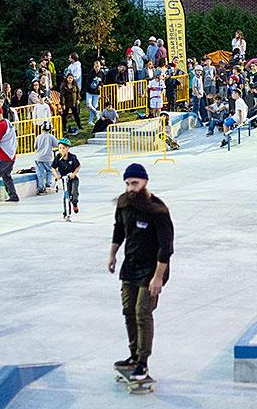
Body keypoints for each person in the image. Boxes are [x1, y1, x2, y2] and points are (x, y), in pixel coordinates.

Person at [108, 163, 174, 384]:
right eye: (127, 183)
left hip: (153, 269)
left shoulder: (158, 210)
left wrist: (158, 277)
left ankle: (143, 362)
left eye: (134, 183)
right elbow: (119, 229)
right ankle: (134, 355)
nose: (130, 188)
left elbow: (166, 247)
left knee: (142, 312)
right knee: (128, 310)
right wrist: (113, 254)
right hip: (131, 266)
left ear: (145, 182)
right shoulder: (124, 203)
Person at [54, 139, 80, 213]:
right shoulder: (58, 157)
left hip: (73, 178)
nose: (61, 150)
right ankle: (66, 212)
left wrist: (74, 174)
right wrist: (56, 175)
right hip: (65, 179)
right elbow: (53, 167)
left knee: (74, 193)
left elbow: (78, 166)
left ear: (68, 148)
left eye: (63, 148)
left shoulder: (72, 157)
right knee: (66, 195)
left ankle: (74, 204)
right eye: (60, 148)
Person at [33, 122, 57, 194]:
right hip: (48, 157)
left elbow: (35, 147)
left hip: (38, 157)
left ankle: (41, 187)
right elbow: (56, 145)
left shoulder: (38, 137)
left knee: (40, 172)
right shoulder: (51, 137)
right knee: (49, 171)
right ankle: (48, 184)